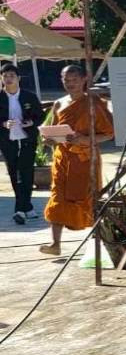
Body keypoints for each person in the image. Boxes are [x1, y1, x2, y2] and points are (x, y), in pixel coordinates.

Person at [39, 64, 114, 255]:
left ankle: (102, 243)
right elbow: (53, 129)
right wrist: (48, 139)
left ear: (84, 80)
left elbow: (109, 134)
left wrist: (84, 139)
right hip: (62, 158)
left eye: (74, 80)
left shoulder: (93, 103)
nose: (70, 84)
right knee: (58, 199)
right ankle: (55, 244)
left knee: (87, 199)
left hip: (84, 159)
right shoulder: (58, 103)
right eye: (66, 80)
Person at [0, 62, 44, 225]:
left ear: (18, 78)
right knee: (14, 172)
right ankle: (25, 207)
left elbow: (40, 116)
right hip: (7, 140)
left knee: (26, 172)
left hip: (27, 139)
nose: (8, 79)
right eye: (5, 76)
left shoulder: (29, 96)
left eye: (12, 76)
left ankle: (21, 208)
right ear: (1, 79)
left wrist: (30, 122)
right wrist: (4, 124)